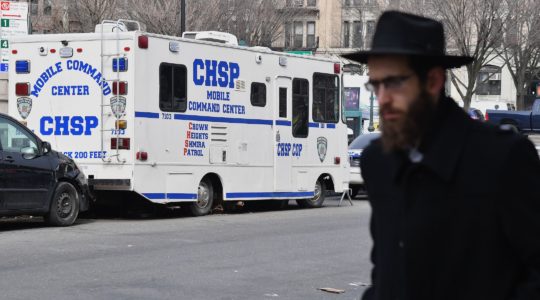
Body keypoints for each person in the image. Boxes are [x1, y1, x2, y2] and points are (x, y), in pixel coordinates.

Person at [341, 11, 540, 300]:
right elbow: (386, 269)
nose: (382, 98)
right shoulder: (379, 162)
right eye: (376, 84)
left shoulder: (502, 158)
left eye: (394, 83)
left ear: (433, 81)